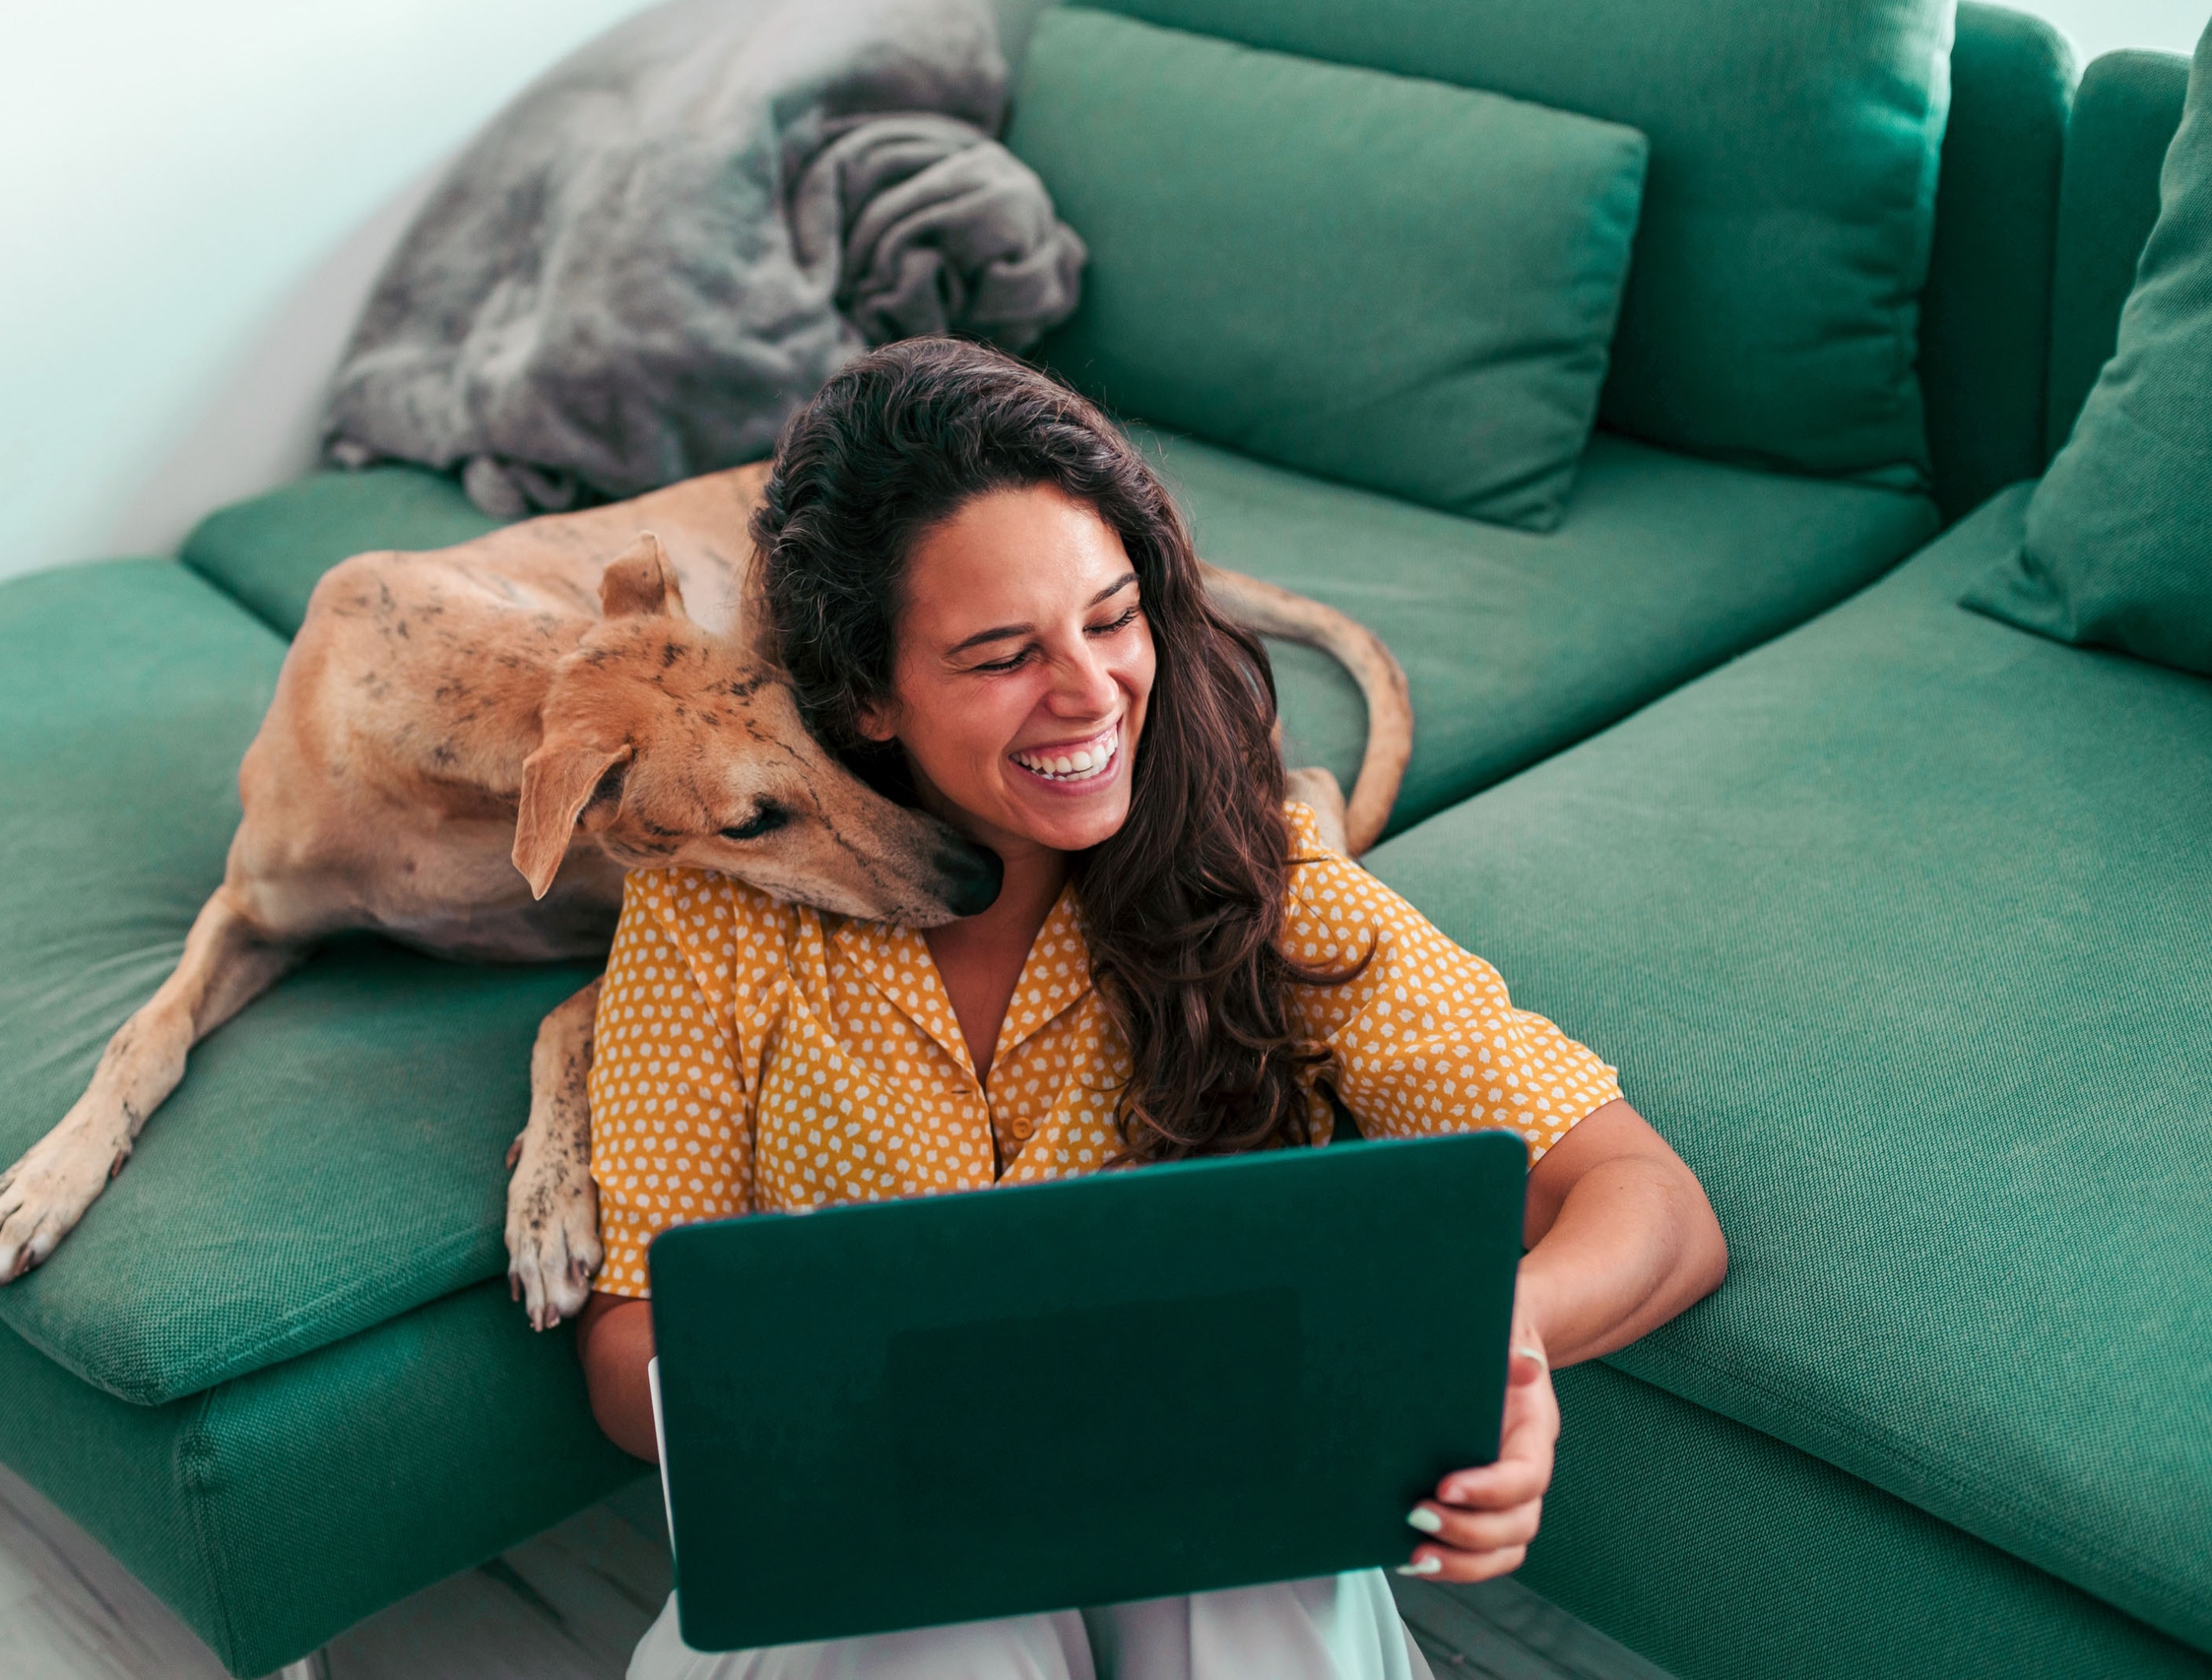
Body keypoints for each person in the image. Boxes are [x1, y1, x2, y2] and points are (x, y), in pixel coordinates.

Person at [575, 337, 1728, 1680]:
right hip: (884, 1537)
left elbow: (1652, 1203)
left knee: (1260, 1595)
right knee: (937, 1621)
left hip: (1206, 1526)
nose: (1089, 692)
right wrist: (878, 1402)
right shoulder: (719, 909)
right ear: (871, 697)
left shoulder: (1258, 878)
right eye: (1003, 653)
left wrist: (1488, 1354)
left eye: (1112, 619)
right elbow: (626, 1349)